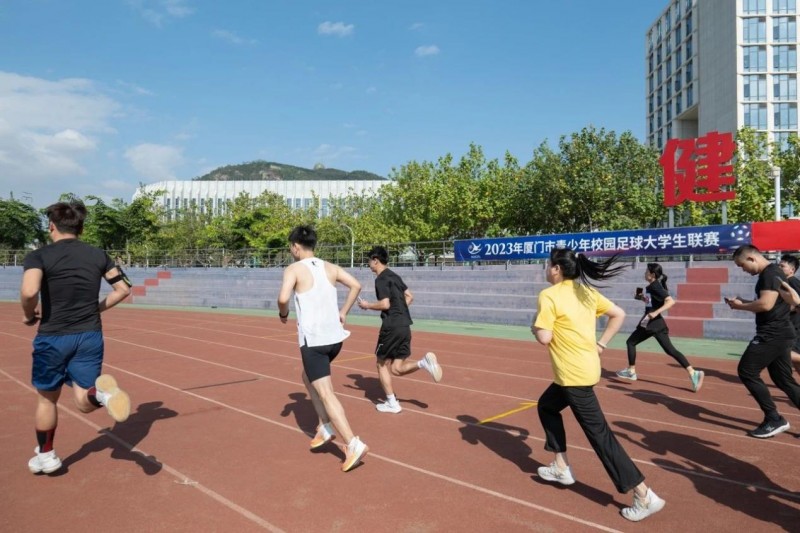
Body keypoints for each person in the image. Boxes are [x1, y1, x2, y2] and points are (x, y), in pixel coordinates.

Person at [532, 248, 665, 522]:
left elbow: (544, 337)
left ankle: (643, 494)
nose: (546, 270)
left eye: (548, 265)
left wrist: (535, 327)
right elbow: (619, 314)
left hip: (573, 376)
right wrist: (601, 344)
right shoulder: (586, 292)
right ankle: (560, 465)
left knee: (601, 436)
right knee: (546, 406)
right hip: (584, 369)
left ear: (556, 269)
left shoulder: (549, 295)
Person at [20, 200, 132, 475]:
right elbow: (123, 289)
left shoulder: (39, 256)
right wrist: (95, 308)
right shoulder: (98, 255)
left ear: (51, 226)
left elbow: (29, 291)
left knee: (47, 398)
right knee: (84, 401)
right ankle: (102, 395)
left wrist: (27, 313)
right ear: (80, 227)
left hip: (54, 336)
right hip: (89, 335)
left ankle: (46, 455)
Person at [277, 225, 368, 472]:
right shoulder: (330, 267)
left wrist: (282, 314)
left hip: (314, 342)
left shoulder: (293, 269)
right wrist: (343, 312)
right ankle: (325, 426)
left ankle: (352, 443)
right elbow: (356, 286)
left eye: (290, 247)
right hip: (335, 340)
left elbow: (283, 299)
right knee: (307, 377)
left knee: (326, 393)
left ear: (295, 246)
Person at [357, 246, 442, 414]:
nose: (368, 264)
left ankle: (392, 403)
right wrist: (400, 310)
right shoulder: (395, 276)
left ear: (375, 260)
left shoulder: (381, 279)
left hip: (391, 326)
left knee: (381, 364)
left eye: (369, 261)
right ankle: (423, 363)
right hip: (404, 325)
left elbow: (385, 304)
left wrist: (367, 305)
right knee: (396, 368)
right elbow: (410, 296)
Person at [726, 245, 800, 438]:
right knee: (784, 379)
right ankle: (774, 418)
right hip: (782, 333)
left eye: (742, 265)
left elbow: (766, 304)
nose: (743, 269)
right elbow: (773, 302)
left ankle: (774, 418)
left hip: (773, 334)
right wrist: (744, 302)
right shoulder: (772, 272)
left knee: (747, 371)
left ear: (752, 258)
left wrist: (740, 306)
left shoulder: (769, 273)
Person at [615, 263, 704, 392]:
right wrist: (642, 298)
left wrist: (655, 313)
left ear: (652, 274)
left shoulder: (655, 286)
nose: (644, 273)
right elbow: (653, 303)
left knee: (630, 342)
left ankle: (631, 371)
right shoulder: (652, 287)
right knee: (670, 350)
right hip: (657, 324)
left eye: (646, 271)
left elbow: (670, 301)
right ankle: (693, 373)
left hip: (651, 323)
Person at [778, 254, 800, 374]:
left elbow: (797, 302)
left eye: (782, 266)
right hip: (791, 324)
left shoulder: (792, 282)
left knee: (784, 353)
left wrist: (781, 310)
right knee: (795, 358)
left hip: (795, 325)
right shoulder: (787, 282)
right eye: (779, 265)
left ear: (792, 269)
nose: (779, 268)